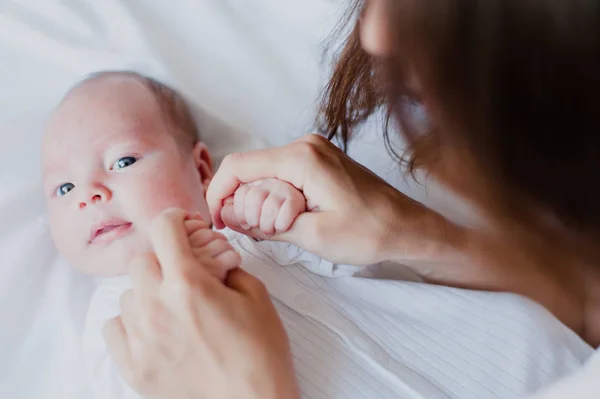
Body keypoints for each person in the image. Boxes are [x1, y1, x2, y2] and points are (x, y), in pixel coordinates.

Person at [103, 0, 600, 398]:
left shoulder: (244, 239)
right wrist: (419, 235)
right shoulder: (107, 331)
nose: (374, 30)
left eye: (124, 161)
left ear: (201, 164)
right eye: (62, 189)